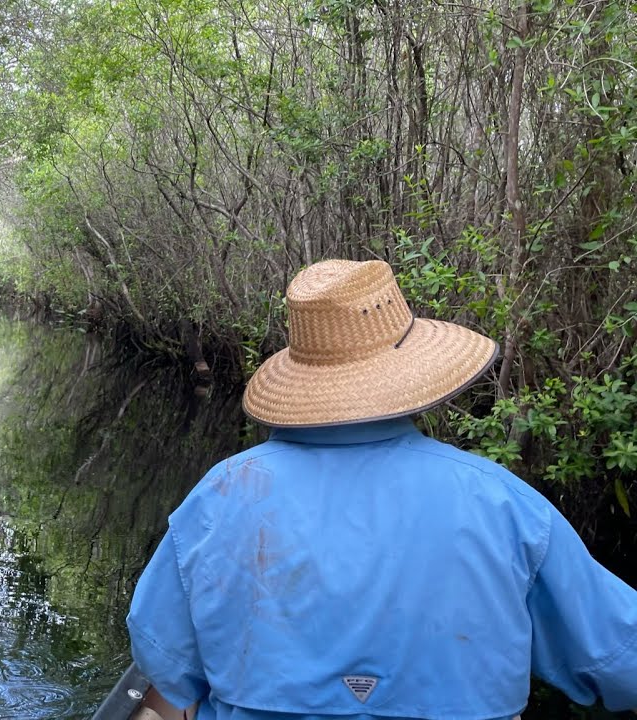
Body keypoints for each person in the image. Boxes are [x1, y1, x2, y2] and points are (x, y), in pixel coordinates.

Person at [126, 259, 637, 720]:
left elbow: (164, 655)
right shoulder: (504, 504)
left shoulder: (221, 495)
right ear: (413, 370)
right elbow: (619, 659)